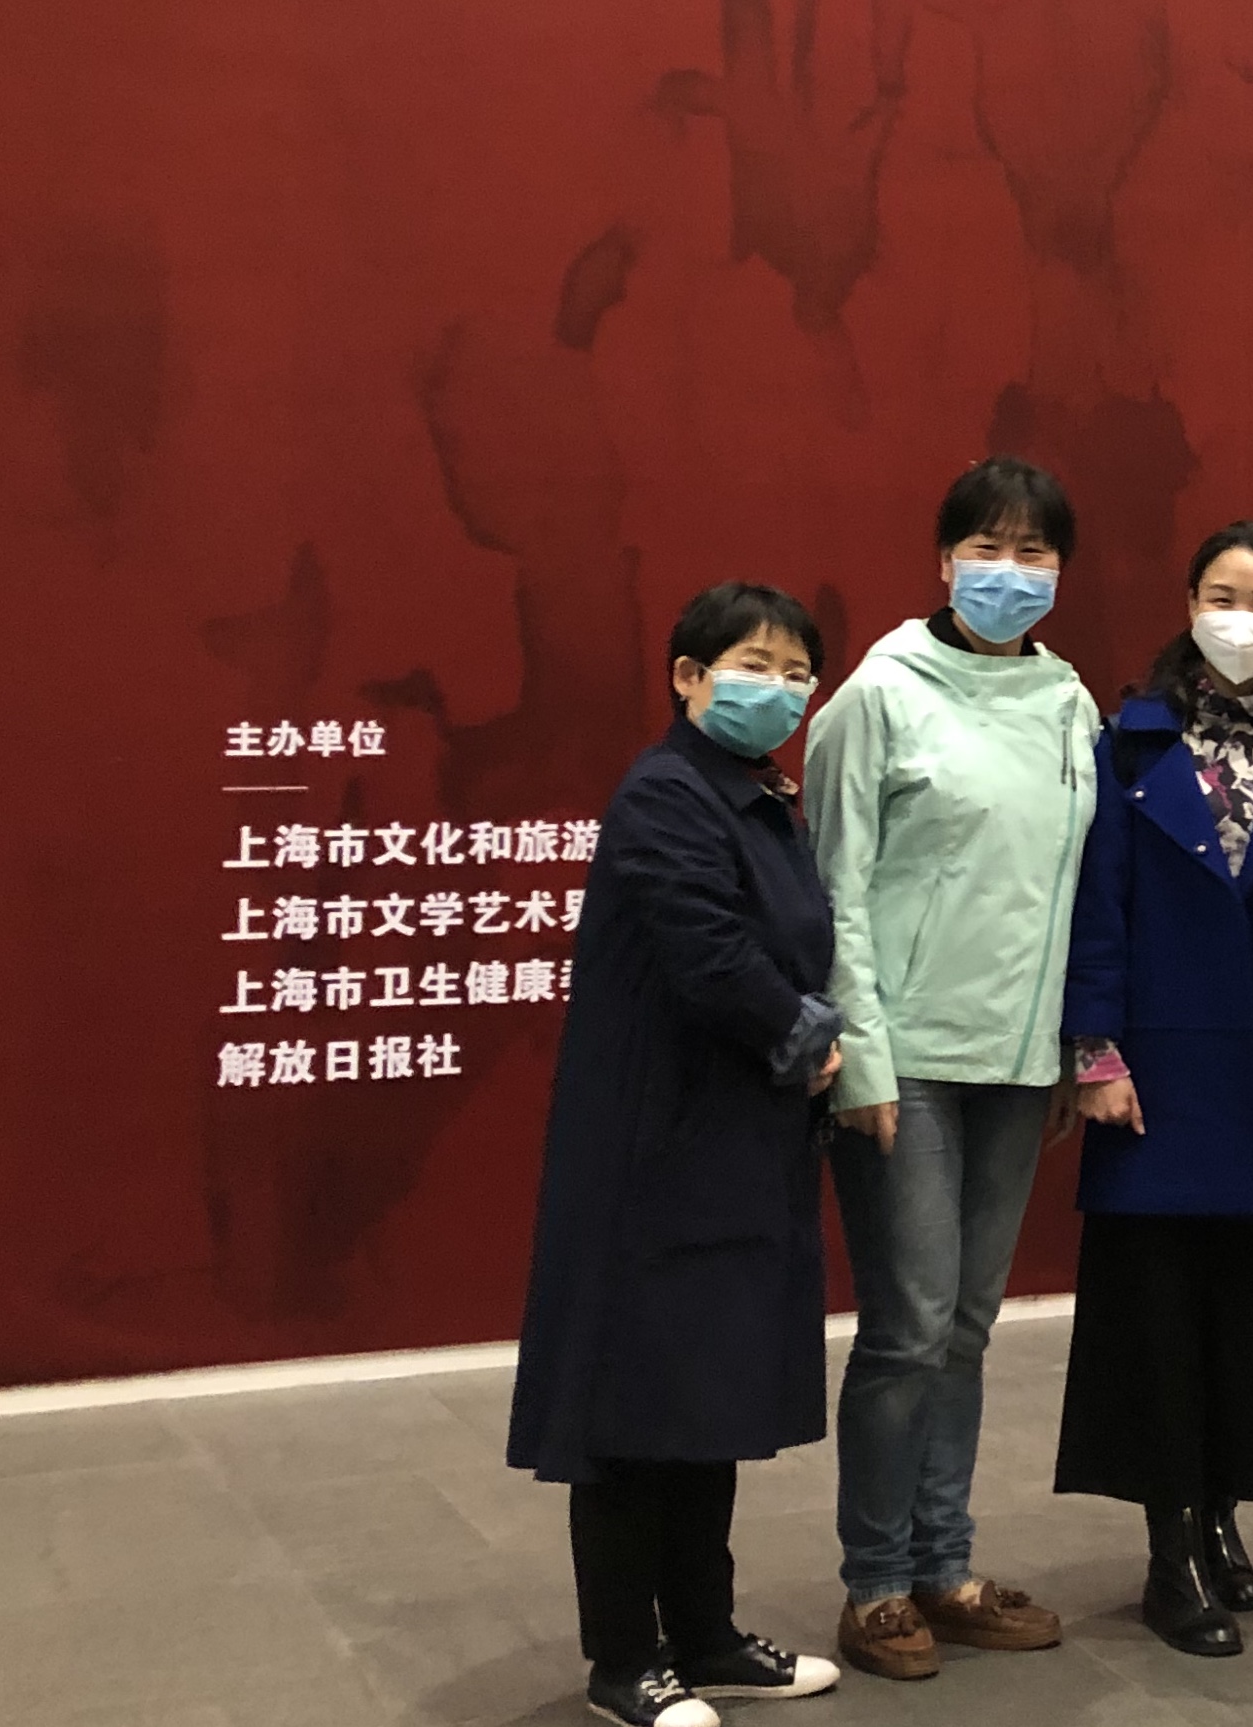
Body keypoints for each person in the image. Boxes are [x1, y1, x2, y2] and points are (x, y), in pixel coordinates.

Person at [508, 583, 849, 1727]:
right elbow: (709, 955)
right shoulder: (667, 793)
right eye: (753, 665)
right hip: (652, 1152)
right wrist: (806, 1036)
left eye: (797, 673)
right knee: (632, 1410)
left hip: (734, 1145)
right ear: (688, 676)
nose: (779, 689)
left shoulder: (757, 796)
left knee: (708, 1399)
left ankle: (706, 1636)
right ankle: (624, 1660)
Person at [806, 457, 1096, 1681]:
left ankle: (945, 1565)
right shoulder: (876, 697)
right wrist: (862, 1060)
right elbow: (835, 892)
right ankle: (876, 1584)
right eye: (988, 547)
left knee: (968, 1327)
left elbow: (1074, 891)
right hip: (907, 1063)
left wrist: (1069, 1049)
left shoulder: (1070, 701)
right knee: (909, 1327)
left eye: (1035, 552)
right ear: (943, 560)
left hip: (1016, 1063)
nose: (1009, 572)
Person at [1053, 521, 1253, 1657]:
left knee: (1248, 1315)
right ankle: (1168, 1545)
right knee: (1157, 1320)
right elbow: (1098, 904)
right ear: (1188, 605)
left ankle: (1222, 1512)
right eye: (1223, 594)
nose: (1242, 617)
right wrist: (1095, 1053)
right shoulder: (1128, 743)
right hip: (1156, 1074)